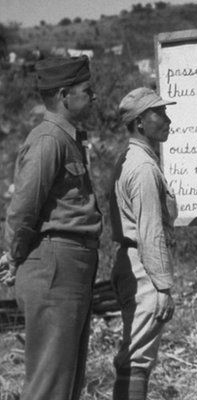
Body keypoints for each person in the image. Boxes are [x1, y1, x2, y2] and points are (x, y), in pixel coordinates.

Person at [0, 56, 101, 400]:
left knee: (68, 383)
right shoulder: (48, 140)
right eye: (87, 90)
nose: (94, 96)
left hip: (71, 265)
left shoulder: (67, 138)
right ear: (63, 95)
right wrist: (14, 257)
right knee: (49, 386)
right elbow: (23, 209)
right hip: (55, 265)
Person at [109, 87, 177, 400]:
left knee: (133, 355)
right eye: (158, 114)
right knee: (137, 360)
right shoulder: (144, 168)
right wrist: (163, 287)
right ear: (140, 123)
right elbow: (151, 232)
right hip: (144, 270)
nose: (167, 120)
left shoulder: (129, 158)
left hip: (131, 263)